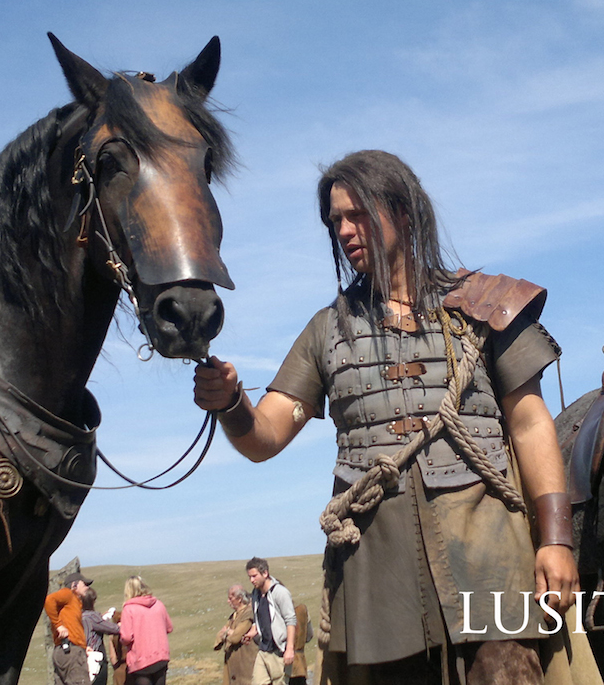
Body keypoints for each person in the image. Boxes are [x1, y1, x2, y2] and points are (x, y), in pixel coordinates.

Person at [193, 150, 579, 683]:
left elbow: (531, 424)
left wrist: (556, 538)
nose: (346, 231)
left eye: (358, 215)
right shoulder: (327, 330)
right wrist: (231, 402)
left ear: (401, 211)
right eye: (336, 222)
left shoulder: (485, 307)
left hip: (489, 551)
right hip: (378, 572)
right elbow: (265, 437)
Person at [242, 559, 294, 685]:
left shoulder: (280, 593)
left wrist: (290, 649)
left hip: (279, 651)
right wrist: (252, 632)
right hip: (263, 650)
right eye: (249, 577)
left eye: (254, 576)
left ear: (265, 573)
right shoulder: (256, 594)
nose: (252, 580)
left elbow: (291, 621)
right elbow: (259, 619)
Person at [119, 575, 173, 685]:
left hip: (140, 660)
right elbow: (169, 627)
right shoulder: (159, 604)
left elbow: (126, 637)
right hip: (161, 656)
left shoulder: (128, 609)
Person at [44, 572, 95, 685]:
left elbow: (73, 627)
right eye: (84, 584)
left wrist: (84, 647)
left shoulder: (75, 602)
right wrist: (58, 625)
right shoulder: (68, 594)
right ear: (74, 585)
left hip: (65, 649)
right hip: (71, 651)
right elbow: (49, 600)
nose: (87, 587)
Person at [213, 584, 257, 685]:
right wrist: (228, 632)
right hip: (232, 663)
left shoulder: (248, 613)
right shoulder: (233, 616)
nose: (228, 601)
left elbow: (236, 637)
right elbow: (219, 636)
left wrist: (228, 632)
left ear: (240, 599)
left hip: (245, 662)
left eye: (230, 598)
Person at [82, 586, 121, 685]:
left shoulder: (79, 616)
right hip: (96, 657)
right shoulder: (92, 617)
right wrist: (120, 625)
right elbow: (113, 629)